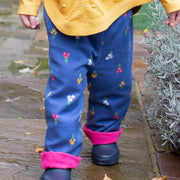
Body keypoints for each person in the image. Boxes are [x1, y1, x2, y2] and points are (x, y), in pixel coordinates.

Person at [18, 0, 180, 180]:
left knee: (113, 79)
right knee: (65, 88)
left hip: (115, 11)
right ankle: (59, 157)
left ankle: (105, 131)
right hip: (66, 13)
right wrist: (29, 4)